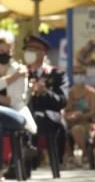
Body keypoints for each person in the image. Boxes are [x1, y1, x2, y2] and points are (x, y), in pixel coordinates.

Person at [0, 37, 33, 181]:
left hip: (17, 114)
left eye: (7, 50)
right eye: (0, 50)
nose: (4, 53)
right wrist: (13, 78)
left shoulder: (20, 69)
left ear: (12, 51)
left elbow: (15, 98)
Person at [23, 34, 69, 168]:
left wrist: (45, 92)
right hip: (26, 113)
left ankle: (51, 159)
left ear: (43, 53)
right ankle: (22, 161)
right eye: (27, 49)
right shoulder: (20, 73)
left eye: (33, 50)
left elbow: (62, 101)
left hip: (49, 116)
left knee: (37, 118)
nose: (28, 53)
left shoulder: (56, 74)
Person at [64, 73, 95, 167]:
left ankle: (85, 155)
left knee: (77, 129)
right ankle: (70, 157)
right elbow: (66, 109)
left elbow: (92, 112)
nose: (78, 77)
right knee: (61, 130)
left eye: (80, 74)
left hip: (86, 123)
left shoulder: (91, 92)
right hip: (70, 122)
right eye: (76, 74)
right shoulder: (69, 92)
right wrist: (70, 115)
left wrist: (80, 115)